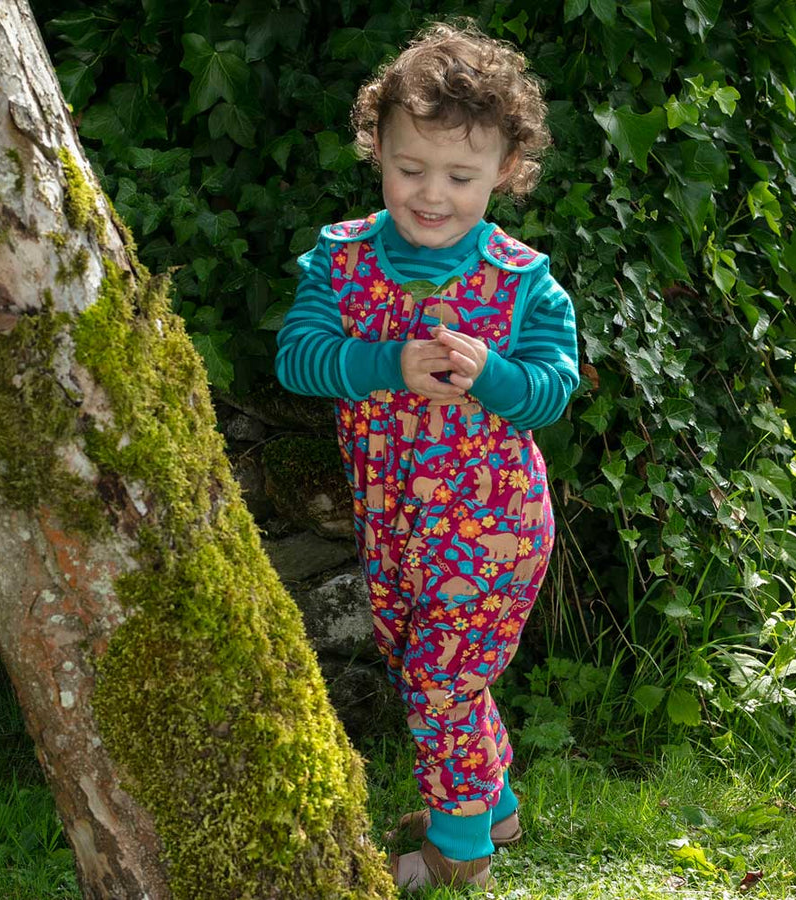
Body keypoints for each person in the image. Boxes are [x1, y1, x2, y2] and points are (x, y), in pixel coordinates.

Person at [275, 20, 580, 890]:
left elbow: (554, 389)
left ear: (507, 173)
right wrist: (383, 365)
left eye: (461, 175)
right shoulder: (340, 261)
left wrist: (493, 376)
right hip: (395, 519)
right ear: (377, 148)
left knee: (439, 681)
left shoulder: (523, 282)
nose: (432, 194)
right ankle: (495, 801)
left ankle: (459, 848)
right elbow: (298, 359)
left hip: (494, 524)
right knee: (431, 666)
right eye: (411, 169)